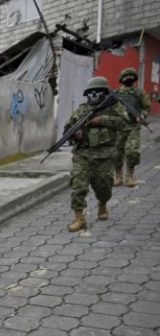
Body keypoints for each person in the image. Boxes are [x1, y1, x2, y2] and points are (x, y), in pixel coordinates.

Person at [62, 76, 126, 232]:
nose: (94, 94)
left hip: (104, 156)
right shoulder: (81, 110)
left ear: (105, 93)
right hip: (82, 155)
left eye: (98, 91)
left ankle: (102, 205)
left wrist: (102, 119)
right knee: (78, 187)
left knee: (103, 188)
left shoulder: (114, 108)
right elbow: (66, 132)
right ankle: (80, 219)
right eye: (91, 92)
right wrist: (74, 135)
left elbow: (124, 124)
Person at [114, 67, 151, 187]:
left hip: (133, 126)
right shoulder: (116, 94)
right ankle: (118, 176)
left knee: (132, 151)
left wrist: (142, 115)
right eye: (126, 77)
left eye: (131, 77)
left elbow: (146, 107)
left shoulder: (139, 93)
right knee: (116, 153)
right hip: (118, 127)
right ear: (122, 79)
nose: (128, 79)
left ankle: (130, 176)